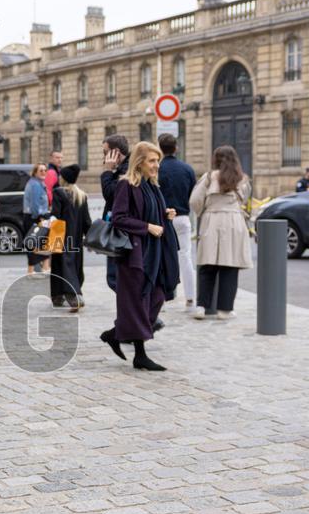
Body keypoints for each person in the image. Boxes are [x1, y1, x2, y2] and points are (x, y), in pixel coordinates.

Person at [100, 141, 179, 371]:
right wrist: (148, 227)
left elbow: (149, 212)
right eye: (152, 161)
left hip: (154, 253)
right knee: (137, 303)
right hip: (135, 254)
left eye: (158, 161)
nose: (156, 166)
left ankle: (114, 335)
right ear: (140, 162)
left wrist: (165, 214)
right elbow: (119, 218)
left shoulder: (152, 185)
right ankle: (140, 355)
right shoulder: (127, 185)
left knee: (156, 297)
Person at [189, 146, 252, 320]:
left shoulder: (209, 177)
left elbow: (194, 200)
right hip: (234, 221)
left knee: (207, 264)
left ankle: (202, 306)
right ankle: (225, 310)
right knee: (230, 265)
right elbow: (244, 199)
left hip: (212, 220)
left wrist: (203, 211)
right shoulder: (242, 179)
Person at [158, 134, 197, 311]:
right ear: (176, 148)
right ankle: (190, 299)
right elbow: (193, 195)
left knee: (161, 258)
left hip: (162, 219)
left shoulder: (157, 169)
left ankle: (162, 299)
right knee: (186, 257)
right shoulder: (187, 169)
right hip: (182, 217)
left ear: (160, 148)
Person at [50, 164, 91, 312]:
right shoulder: (81, 195)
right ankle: (63, 295)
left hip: (60, 236)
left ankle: (68, 296)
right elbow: (87, 221)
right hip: (77, 239)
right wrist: (90, 237)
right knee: (75, 265)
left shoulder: (59, 193)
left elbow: (56, 216)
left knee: (59, 265)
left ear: (64, 178)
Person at [100, 135, 130, 292]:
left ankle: (136, 313)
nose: (104, 157)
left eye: (105, 152)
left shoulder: (126, 170)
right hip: (118, 229)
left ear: (116, 152)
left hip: (121, 230)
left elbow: (111, 194)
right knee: (116, 278)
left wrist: (107, 172)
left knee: (115, 278)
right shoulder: (122, 168)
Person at [23, 163, 50, 277]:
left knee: (39, 243)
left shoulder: (38, 183)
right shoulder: (35, 185)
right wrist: (40, 217)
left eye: (45, 170)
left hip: (35, 216)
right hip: (34, 217)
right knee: (36, 243)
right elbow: (35, 204)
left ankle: (44, 267)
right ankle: (32, 270)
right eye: (41, 170)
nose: (44, 172)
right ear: (35, 172)